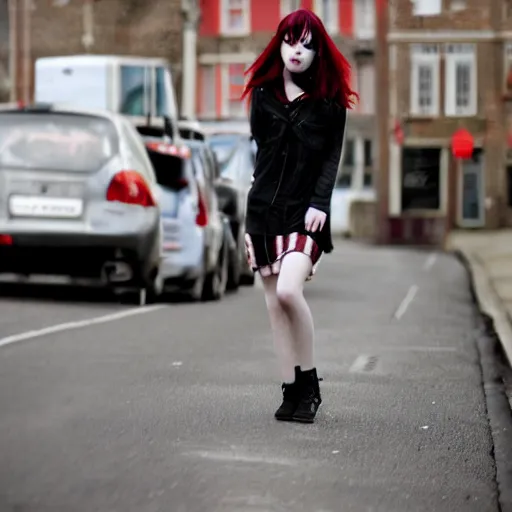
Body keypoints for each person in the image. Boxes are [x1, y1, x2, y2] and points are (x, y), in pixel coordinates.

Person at [242, 8, 357, 423]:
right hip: (263, 214)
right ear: (280, 44)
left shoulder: (329, 105)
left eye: (307, 45)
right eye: (291, 41)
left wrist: (319, 204)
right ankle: (291, 391)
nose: (297, 51)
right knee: (274, 306)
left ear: (317, 53)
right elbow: (263, 159)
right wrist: (248, 220)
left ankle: (309, 384)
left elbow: (331, 160)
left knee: (290, 291)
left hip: (305, 215)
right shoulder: (262, 95)